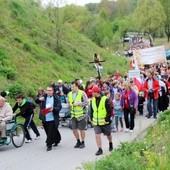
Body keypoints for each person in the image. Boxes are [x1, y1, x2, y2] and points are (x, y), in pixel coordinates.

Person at [35, 86, 62, 151]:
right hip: (45, 118)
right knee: (48, 131)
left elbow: (59, 107)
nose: (49, 92)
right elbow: (36, 101)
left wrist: (53, 109)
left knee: (50, 132)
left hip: (52, 118)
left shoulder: (56, 98)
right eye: (48, 90)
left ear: (52, 91)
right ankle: (57, 139)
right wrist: (39, 99)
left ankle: (49, 145)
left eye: (50, 90)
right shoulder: (43, 97)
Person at [90, 86, 113, 156]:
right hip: (96, 122)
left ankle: (110, 143)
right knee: (97, 135)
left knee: (108, 134)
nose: (92, 94)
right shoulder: (92, 100)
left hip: (105, 122)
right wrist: (91, 119)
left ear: (96, 92)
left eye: (93, 92)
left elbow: (110, 110)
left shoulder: (105, 99)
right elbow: (91, 111)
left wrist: (107, 119)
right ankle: (100, 149)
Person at [68, 81, 88, 149]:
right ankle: (78, 141)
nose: (72, 88)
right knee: (74, 129)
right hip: (73, 114)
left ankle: (83, 142)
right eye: (71, 87)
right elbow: (69, 102)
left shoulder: (82, 93)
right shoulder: (69, 94)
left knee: (82, 129)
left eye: (73, 87)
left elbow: (87, 102)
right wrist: (69, 105)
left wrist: (79, 103)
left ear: (77, 86)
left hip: (81, 114)